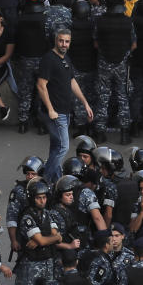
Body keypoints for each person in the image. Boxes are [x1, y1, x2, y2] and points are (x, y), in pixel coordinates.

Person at [36, 27, 94, 183]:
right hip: (56, 113)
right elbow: (41, 85)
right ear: (55, 40)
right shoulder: (49, 59)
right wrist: (50, 110)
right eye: (61, 40)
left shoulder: (65, 59)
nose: (63, 44)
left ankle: (55, 179)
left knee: (56, 147)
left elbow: (72, 81)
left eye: (67, 41)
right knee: (63, 147)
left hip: (64, 111)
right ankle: (45, 181)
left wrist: (85, 103)